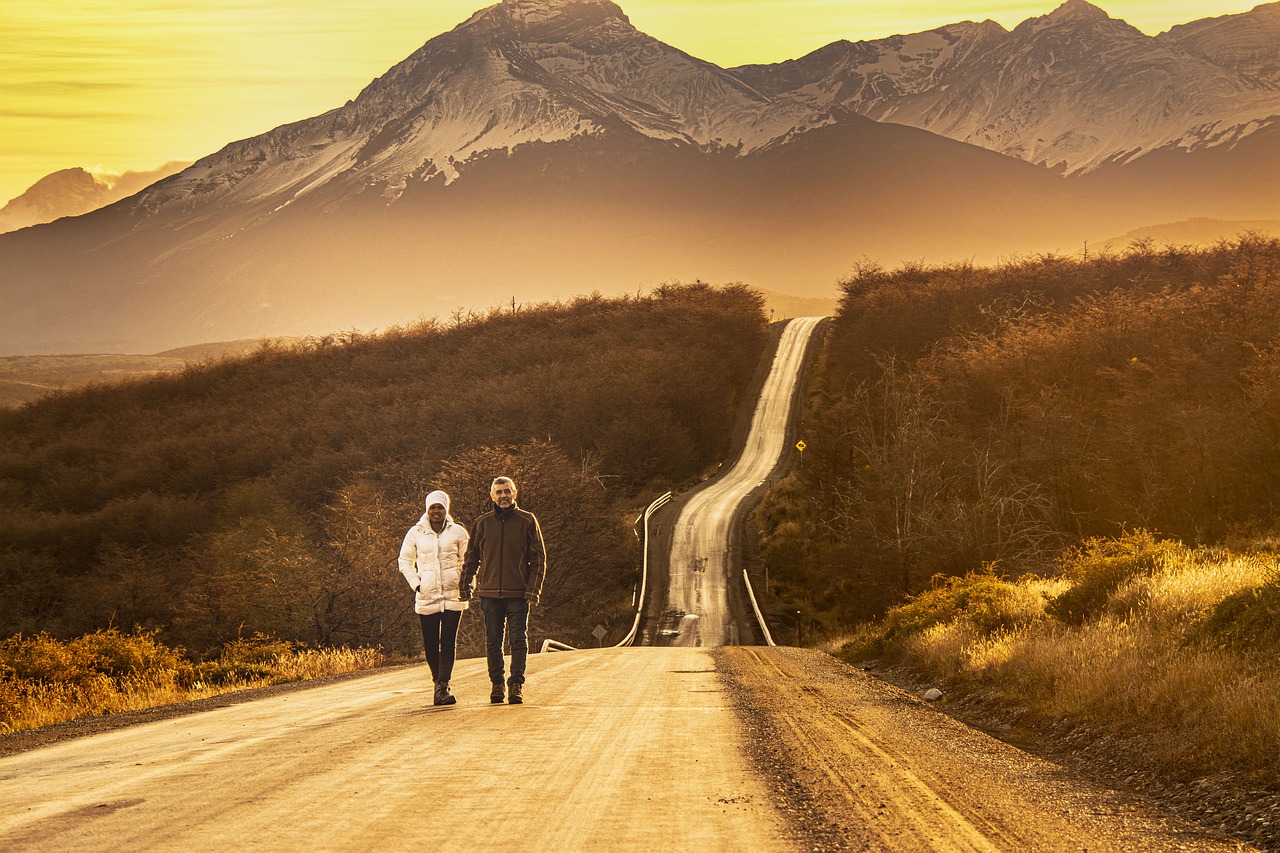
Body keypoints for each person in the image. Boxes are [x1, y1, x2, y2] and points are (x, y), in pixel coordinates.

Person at [461, 476, 547, 705]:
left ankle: (516, 684)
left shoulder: (527, 520)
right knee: (492, 642)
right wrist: (465, 583)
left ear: (515, 493)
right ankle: (497, 683)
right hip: (489, 593)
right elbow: (472, 558)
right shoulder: (482, 523)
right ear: (492, 496)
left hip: (518, 593)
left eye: (507, 491)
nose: (503, 496)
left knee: (518, 640)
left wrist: (533, 590)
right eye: (498, 492)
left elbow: (538, 558)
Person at [398, 489, 470, 706]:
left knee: (448, 641)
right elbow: (404, 561)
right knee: (431, 643)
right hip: (427, 595)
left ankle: (443, 685)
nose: (436, 511)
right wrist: (417, 584)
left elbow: (470, 561)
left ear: (446, 509)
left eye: (440, 507)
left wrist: (467, 585)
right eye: (433, 508)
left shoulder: (458, 532)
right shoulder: (415, 533)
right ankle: (437, 682)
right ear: (427, 509)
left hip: (453, 594)